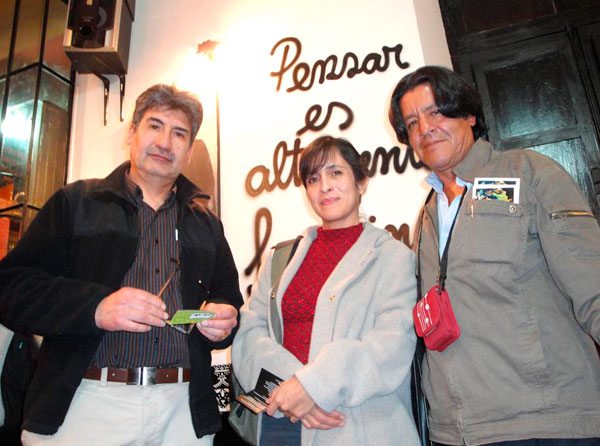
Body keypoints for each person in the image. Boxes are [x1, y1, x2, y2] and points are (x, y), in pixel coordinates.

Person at [0, 84, 243, 445]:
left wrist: (224, 319)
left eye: (179, 134)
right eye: (154, 126)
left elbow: (228, 300)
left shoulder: (207, 224)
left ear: (190, 151)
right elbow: (12, 288)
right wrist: (95, 307)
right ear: (132, 133)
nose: (165, 142)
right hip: (87, 402)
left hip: (183, 411)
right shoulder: (76, 203)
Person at [388, 65, 600, 446]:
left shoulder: (528, 174)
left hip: (546, 423)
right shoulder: (427, 216)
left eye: (436, 112)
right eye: (413, 122)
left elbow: (593, 286)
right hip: (454, 432)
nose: (425, 128)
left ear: (469, 115)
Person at [232, 135, 420, 446]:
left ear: (361, 182)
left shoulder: (394, 258)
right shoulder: (281, 258)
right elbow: (250, 334)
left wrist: (313, 386)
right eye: (313, 179)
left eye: (336, 173)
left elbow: (392, 344)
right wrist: (294, 390)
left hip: (355, 424)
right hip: (281, 420)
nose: (325, 186)